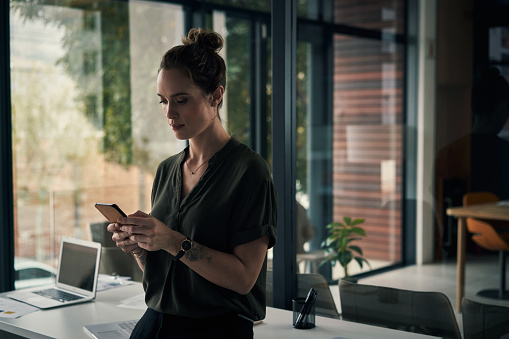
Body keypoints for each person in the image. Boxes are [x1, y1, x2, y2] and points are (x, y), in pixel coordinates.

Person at [107, 28, 278, 338]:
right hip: (153, 325)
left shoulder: (249, 172)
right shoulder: (166, 169)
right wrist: (141, 248)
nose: (169, 113)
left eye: (181, 100)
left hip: (216, 330)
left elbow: (243, 279)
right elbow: (166, 272)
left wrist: (172, 240)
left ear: (216, 96)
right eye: (163, 101)